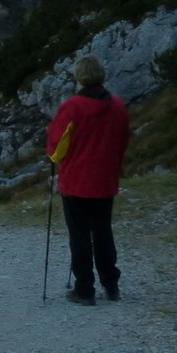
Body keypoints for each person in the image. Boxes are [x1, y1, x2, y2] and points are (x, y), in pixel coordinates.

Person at [46, 56, 130, 306]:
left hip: (77, 181)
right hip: (105, 180)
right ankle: (111, 284)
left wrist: (53, 157)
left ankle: (84, 289)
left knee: (80, 235)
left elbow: (57, 148)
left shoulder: (72, 108)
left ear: (79, 78)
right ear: (102, 76)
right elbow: (122, 141)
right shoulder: (118, 106)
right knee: (103, 231)